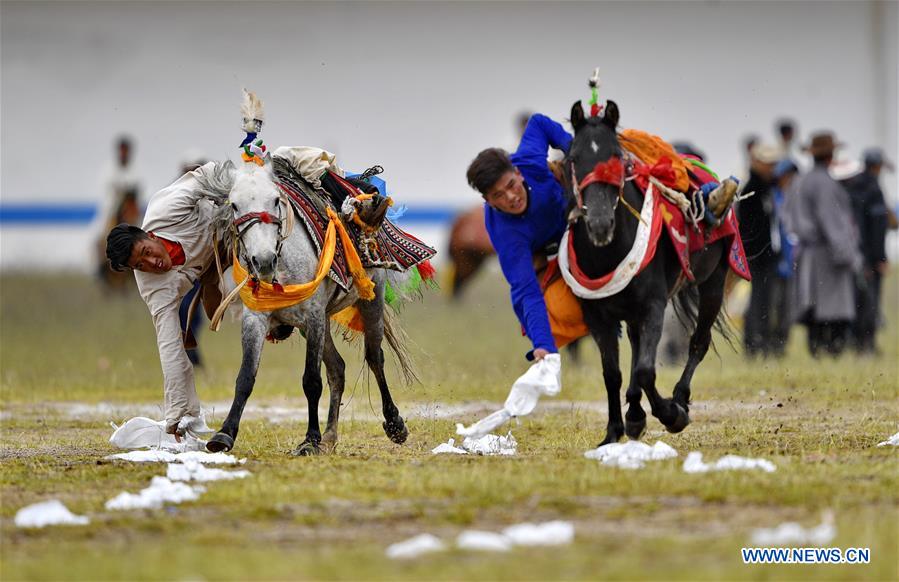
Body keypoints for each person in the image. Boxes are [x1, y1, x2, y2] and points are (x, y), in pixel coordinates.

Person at [105, 161, 227, 438]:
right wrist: (177, 410)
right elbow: (170, 346)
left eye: (147, 251)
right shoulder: (151, 286)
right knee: (209, 317)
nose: (152, 263)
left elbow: (210, 173)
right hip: (213, 272)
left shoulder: (166, 208)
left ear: (149, 235)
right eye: (140, 264)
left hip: (233, 224)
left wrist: (242, 196)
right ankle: (190, 415)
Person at [466, 114, 572, 362]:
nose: (511, 198)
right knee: (526, 301)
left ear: (518, 172)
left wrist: (573, 149)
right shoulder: (505, 234)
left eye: (511, 185)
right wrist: (543, 346)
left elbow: (537, 122)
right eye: (498, 195)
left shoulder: (530, 161)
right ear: (488, 201)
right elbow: (526, 291)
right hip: (542, 249)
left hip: (575, 219)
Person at [786, 132, 862, 356]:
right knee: (832, 308)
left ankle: (816, 350)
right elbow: (833, 222)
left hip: (807, 251)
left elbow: (789, 217)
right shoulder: (826, 183)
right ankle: (831, 351)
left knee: (813, 305)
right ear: (830, 156)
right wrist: (848, 254)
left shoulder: (800, 181)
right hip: (827, 254)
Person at [843, 148, 894, 354]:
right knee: (870, 302)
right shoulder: (873, 189)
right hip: (871, 257)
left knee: (859, 300)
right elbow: (876, 229)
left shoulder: (854, 187)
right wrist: (879, 257)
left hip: (858, 254)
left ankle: (858, 343)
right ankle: (867, 345)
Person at [737, 143, 779, 356]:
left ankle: (763, 340)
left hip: (767, 255)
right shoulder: (751, 189)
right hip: (755, 256)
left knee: (765, 300)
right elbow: (746, 227)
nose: (772, 168)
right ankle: (753, 342)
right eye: (769, 163)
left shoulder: (768, 187)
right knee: (755, 301)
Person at [769, 159, 799, 355]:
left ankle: (781, 344)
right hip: (774, 262)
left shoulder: (796, 198)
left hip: (792, 261)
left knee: (788, 306)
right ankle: (768, 342)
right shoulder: (772, 197)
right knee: (772, 304)